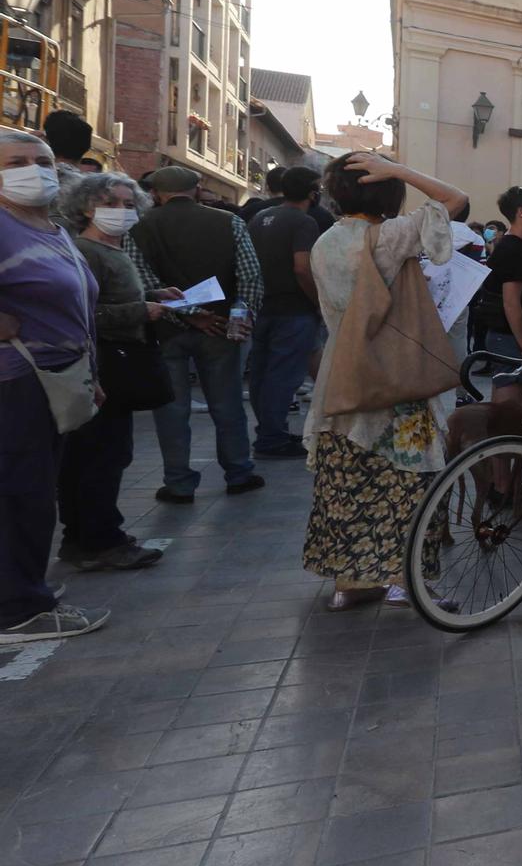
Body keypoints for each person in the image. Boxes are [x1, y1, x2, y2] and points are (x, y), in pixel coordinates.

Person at [301, 152, 469, 610]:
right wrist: (399, 170)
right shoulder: (385, 238)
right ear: (386, 190)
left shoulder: (326, 242)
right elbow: (455, 200)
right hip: (394, 379)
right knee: (406, 484)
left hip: (342, 377)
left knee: (347, 483)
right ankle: (404, 580)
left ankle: (350, 584)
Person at [0, 132, 110, 643]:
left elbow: (77, 305)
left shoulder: (49, 226)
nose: (33, 170)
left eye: (41, 161)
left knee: (35, 492)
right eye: (15, 162)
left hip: (56, 380)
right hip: (15, 382)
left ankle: (22, 585)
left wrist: (91, 374)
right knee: (20, 494)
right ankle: (17, 610)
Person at [56, 172, 180, 573]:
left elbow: (113, 296)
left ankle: (84, 538)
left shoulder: (114, 249)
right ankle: (99, 539)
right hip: (105, 362)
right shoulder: (85, 251)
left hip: (116, 359)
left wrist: (152, 295)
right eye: (112, 204)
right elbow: (83, 313)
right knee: (100, 456)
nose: (122, 212)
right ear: (88, 207)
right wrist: (140, 311)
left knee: (99, 454)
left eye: (129, 205)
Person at [130, 164, 265, 503]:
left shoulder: (140, 227)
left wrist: (188, 315)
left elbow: (143, 283)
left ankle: (178, 483)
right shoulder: (228, 221)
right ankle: (238, 472)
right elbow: (250, 274)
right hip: (220, 327)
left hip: (164, 330)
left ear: (156, 194)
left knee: (172, 410)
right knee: (228, 403)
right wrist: (240, 317)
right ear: (198, 187)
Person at [246, 167, 323, 458]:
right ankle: (272, 438)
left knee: (262, 374)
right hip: (293, 309)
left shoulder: (259, 218)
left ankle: (267, 431)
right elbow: (302, 267)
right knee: (283, 376)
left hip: (262, 306)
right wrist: (316, 301)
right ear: (312, 192)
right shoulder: (304, 222)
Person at [470, 187, 522, 363]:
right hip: (510, 339)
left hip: (512, 338)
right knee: (509, 389)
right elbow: (511, 303)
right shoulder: (513, 250)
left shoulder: (521, 246)